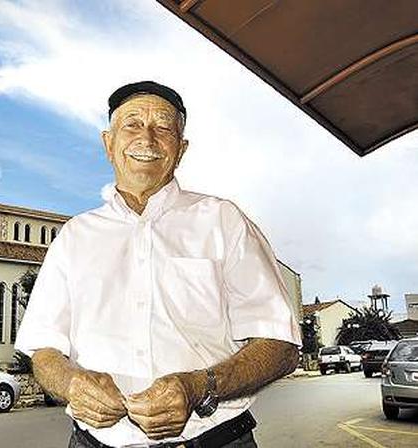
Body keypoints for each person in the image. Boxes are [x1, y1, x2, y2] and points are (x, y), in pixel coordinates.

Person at [15, 81, 301, 448]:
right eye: (131, 124)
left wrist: (199, 386)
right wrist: (71, 383)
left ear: (180, 149)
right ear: (108, 143)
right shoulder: (74, 236)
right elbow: (44, 352)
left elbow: (280, 345)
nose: (146, 138)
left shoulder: (223, 221)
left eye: (163, 127)